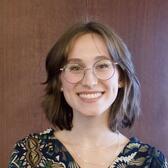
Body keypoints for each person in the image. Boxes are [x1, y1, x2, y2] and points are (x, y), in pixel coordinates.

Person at [8, 21, 167, 168]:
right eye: (75, 68)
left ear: (122, 78)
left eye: (103, 65)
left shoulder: (152, 162)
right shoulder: (28, 155)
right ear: (59, 81)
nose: (89, 82)